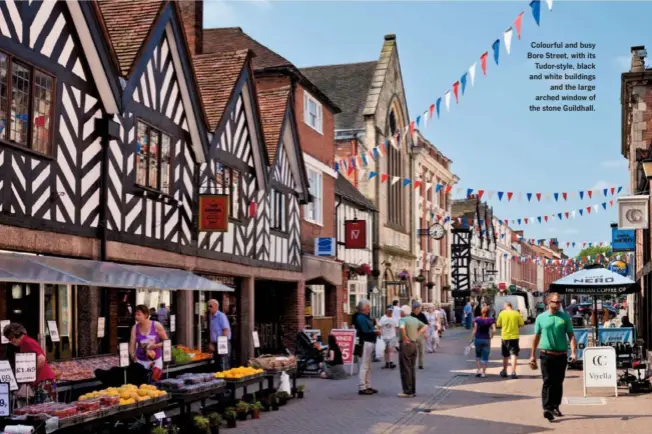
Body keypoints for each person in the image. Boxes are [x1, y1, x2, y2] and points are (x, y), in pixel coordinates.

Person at [530, 292, 577, 422]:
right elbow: (536, 337)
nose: (558, 304)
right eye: (556, 301)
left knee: (558, 382)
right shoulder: (541, 318)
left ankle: (555, 405)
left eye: (559, 302)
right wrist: (532, 356)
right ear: (548, 302)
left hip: (561, 355)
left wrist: (573, 352)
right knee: (548, 381)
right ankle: (547, 408)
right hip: (546, 354)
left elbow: (571, 335)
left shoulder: (565, 317)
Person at [3, 323, 55, 403]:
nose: (10, 342)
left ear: (13, 336)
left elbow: (41, 359)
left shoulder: (28, 342)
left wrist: (32, 375)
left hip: (42, 382)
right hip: (40, 382)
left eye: (10, 339)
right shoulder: (25, 343)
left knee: (44, 409)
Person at [398, 305, 428, 397]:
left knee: (405, 368)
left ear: (403, 313)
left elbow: (402, 328)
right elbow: (425, 326)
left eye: (400, 311)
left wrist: (404, 337)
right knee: (411, 368)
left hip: (406, 345)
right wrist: (418, 333)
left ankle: (407, 391)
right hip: (414, 344)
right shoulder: (414, 319)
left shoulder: (402, 320)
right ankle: (412, 390)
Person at [352, 299, 381, 395]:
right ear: (364, 308)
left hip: (370, 341)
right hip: (365, 342)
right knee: (364, 365)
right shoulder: (360, 318)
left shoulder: (365, 317)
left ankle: (368, 385)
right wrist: (375, 331)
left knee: (368, 366)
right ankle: (362, 386)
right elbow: (365, 330)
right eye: (368, 307)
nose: (369, 309)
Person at [130, 305, 167, 377]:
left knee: (154, 383)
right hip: (140, 360)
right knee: (142, 384)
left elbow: (166, 342)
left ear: (146, 315)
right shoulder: (135, 328)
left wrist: (156, 345)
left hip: (155, 360)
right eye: (135, 315)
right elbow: (132, 344)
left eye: (139, 315)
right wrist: (132, 355)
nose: (136, 317)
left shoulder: (156, 325)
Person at [496, 301, 524, 379]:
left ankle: (504, 371)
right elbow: (522, 324)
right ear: (511, 306)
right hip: (514, 337)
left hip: (505, 337)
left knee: (505, 355)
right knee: (514, 354)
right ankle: (513, 372)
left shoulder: (502, 313)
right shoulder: (516, 313)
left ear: (505, 306)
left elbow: (498, 324)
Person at [470, 306, 495, 378]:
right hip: (486, 339)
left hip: (478, 339)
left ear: (481, 311)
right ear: (489, 312)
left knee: (478, 355)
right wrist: (492, 336)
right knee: (485, 356)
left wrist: (471, 338)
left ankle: (478, 370)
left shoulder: (477, 319)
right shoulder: (491, 320)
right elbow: (494, 330)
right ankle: (483, 372)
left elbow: (475, 329)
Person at [208, 299, 232, 371]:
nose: (208, 308)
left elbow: (225, 330)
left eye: (210, 306)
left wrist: (221, 344)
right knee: (217, 363)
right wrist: (211, 343)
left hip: (222, 342)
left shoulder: (221, 316)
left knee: (224, 363)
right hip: (215, 343)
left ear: (216, 306)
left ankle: (226, 380)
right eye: (208, 306)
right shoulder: (210, 317)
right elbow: (212, 331)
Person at [379, 305, 398, 369]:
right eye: (389, 310)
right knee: (386, 350)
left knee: (390, 349)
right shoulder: (383, 318)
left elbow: (396, 326)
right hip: (384, 336)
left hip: (392, 336)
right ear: (386, 310)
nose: (390, 311)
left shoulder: (394, 318)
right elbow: (379, 326)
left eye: (391, 310)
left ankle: (391, 362)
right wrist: (380, 332)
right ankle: (387, 363)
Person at [411, 301, 428, 369]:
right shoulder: (411, 315)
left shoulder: (422, 315)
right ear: (415, 308)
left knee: (421, 350)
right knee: (413, 350)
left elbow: (426, 324)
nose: (419, 309)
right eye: (418, 308)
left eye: (419, 308)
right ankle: (413, 363)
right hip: (412, 333)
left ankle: (421, 364)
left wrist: (426, 333)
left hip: (421, 334)